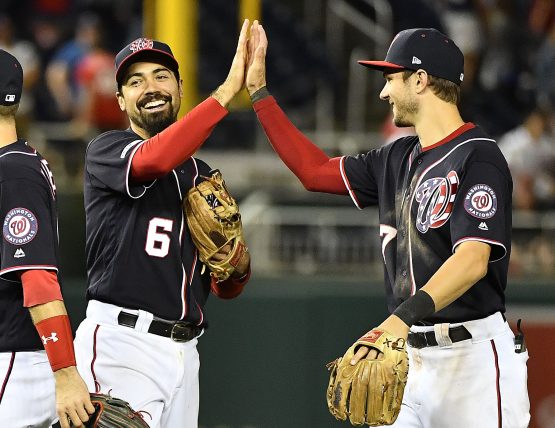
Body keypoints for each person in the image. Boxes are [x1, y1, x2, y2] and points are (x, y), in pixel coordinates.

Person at [246, 23, 530, 427]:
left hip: (474, 363)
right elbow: (313, 171)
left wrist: (400, 318)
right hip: (408, 360)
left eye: (391, 78)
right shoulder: (395, 157)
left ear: (420, 80)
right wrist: (259, 94)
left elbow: (472, 261)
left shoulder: (478, 157)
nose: (383, 92)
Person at [73, 20, 252, 427]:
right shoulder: (107, 150)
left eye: (160, 76)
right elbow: (153, 160)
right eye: (135, 82)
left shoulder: (203, 176)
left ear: (180, 87)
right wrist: (225, 94)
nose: (150, 87)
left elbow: (227, 288)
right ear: (120, 100)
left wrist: (235, 265)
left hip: (186, 354)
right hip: (122, 344)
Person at [0, 49, 93, 428]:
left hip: (15, 362)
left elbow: (38, 280)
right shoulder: (17, 162)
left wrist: (66, 374)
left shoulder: (15, 171)